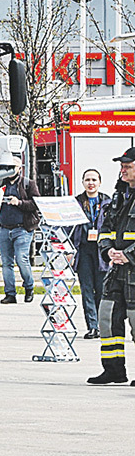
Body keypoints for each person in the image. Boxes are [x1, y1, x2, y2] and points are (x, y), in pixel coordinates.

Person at [88, 147, 135, 386]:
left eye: (127, 165)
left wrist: (130, 255)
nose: (122, 170)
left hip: (134, 270)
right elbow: (104, 228)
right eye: (122, 166)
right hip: (116, 270)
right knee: (107, 318)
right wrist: (108, 250)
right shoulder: (119, 196)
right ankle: (114, 370)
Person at [70, 169, 110, 339]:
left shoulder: (108, 202)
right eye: (87, 180)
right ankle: (92, 326)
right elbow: (69, 227)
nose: (91, 183)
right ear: (83, 182)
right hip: (84, 249)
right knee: (87, 289)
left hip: (102, 250)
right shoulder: (77, 202)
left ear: (100, 182)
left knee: (102, 290)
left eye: (94, 179)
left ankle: (102, 326)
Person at [0, 154, 40, 304]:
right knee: (6, 262)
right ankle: (10, 293)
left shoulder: (28, 184)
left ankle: (29, 286)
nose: (9, 169)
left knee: (22, 259)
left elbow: (36, 204)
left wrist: (19, 203)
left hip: (22, 229)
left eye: (13, 166)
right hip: (3, 228)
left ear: (19, 168)